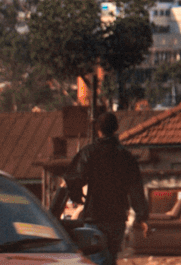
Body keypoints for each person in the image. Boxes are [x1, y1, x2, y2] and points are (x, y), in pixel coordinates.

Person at [64, 111, 150, 265]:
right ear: (116, 128)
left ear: (98, 130)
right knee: (110, 258)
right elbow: (135, 187)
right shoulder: (126, 156)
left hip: (94, 215)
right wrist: (141, 215)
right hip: (117, 217)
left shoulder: (88, 152)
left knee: (98, 258)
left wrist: (77, 196)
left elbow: (74, 177)